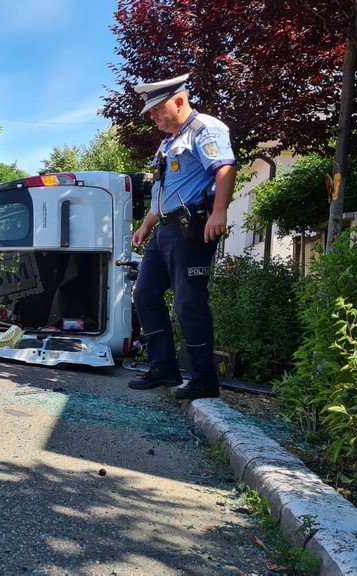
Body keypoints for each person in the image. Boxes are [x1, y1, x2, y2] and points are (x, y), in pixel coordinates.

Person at [126, 73, 237, 400]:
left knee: (189, 302)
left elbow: (225, 168)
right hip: (164, 232)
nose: (153, 116)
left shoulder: (204, 129)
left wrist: (219, 212)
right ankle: (165, 367)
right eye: (150, 112)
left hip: (191, 229)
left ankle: (204, 378)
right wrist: (146, 226)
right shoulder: (168, 143)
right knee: (144, 293)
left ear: (179, 101)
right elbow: (164, 191)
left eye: (157, 109)